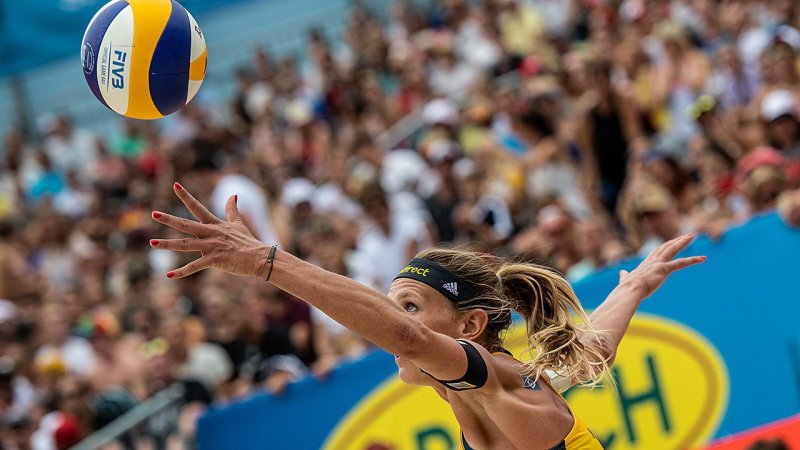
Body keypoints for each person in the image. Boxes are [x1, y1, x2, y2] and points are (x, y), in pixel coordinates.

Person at [151, 183, 704, 449]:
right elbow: (589, 351)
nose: (397, 328)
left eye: (412, 304)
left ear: (469, 327)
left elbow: (404, 336)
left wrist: (267, 262)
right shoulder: (512, 385)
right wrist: (631, 290)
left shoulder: (496, 381)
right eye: (398, 307)